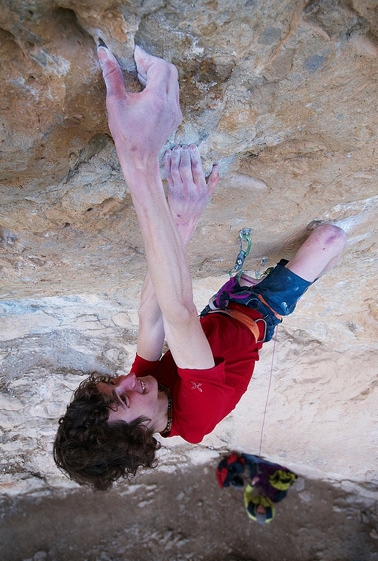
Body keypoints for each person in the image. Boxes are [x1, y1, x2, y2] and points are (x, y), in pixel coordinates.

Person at [53, 45, 347, 490]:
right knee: (331, 239)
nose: (130, 379)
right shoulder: (198, 414)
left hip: (220, 311)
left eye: (115, 384)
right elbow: (179, 315)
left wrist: (182, 221)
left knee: (218, 289)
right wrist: (141, 162)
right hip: (258, 317)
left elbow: (150, 314)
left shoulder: (142, 390)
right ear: (142, 433)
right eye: (123, 398)